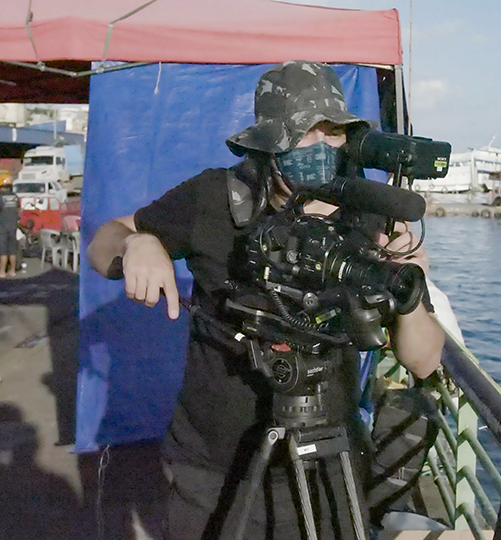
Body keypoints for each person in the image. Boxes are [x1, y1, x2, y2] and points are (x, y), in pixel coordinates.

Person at [87, 60, 445, 539]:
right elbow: (102, 243)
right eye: (306, 130)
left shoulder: (370, 213)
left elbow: (423, 361)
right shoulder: (214, 197)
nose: (322, 145)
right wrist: (138, 242)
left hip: (329, 459)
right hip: (214, 467)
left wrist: (407, 287)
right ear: (269, 140)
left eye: (334, 130)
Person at [0, 176, 19, 277]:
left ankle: (2, 272)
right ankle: (12, 270)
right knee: (12, 251)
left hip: (2, 228)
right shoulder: (15, 197)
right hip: (13, 227)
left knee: (3, 251)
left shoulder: (0, 197)